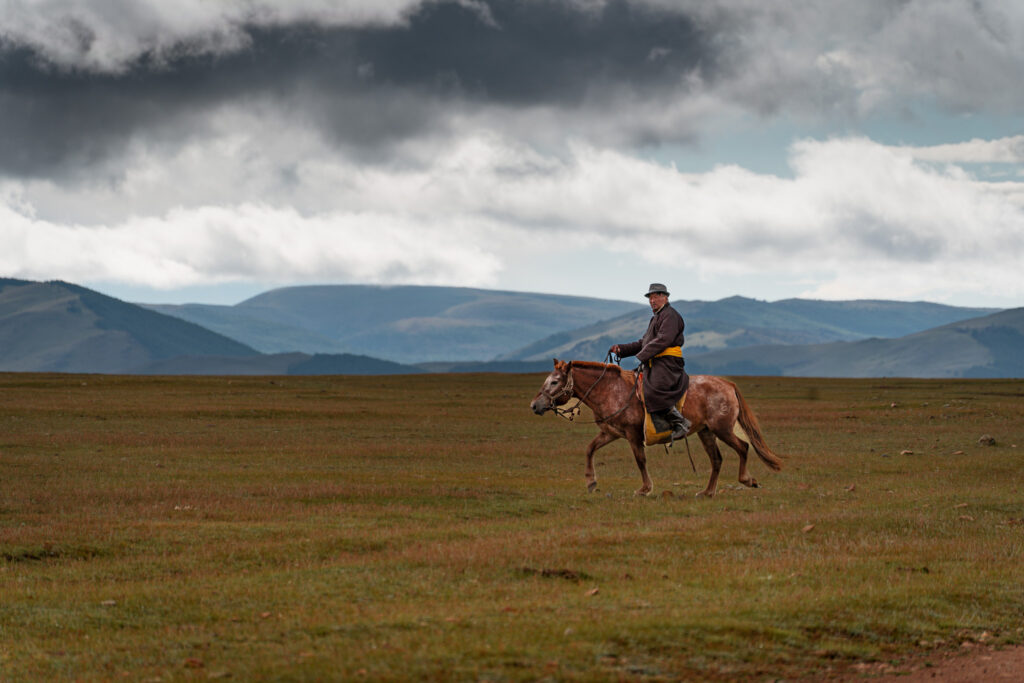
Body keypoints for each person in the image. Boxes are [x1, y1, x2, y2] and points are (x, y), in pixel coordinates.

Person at [610, 283, 692, 440]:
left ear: (665, 297)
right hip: (655, 360)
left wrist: (642, 355)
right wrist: (622, 349)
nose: (652, 301)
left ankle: (680, 422)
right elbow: (644, 342)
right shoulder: (656, 318)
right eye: (650, 298)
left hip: (668, 362)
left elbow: (664, 339)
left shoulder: (670, 315)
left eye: (656, 297)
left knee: (652, 389)